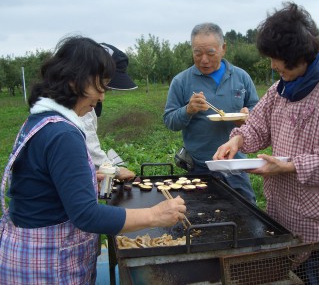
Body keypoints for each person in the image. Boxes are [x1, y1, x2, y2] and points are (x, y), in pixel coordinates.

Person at [0, 36, 186, 284]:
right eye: (100, 88)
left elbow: (43, 181)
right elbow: (86, 216)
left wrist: (85, 179)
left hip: (27, 251)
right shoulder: (63, 134)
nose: (102, 98)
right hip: (48, 266)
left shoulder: (40, 121)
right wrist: (155, 215)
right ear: (74, 81)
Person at [213, 2, 319, 284]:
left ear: (297, 54)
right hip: (282, 215)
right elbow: (258, 123)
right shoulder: (282, 88)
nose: (272, 65)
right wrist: (238, 140)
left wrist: (287, 166)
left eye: (277, 59)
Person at [163, 22, 259, 204]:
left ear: (223, 49)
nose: (204, 60)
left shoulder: (241, 77)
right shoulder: (181, 81)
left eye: (210, 53)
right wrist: (187, 110)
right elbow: (169, 121)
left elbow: (257, 112)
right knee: (200, 218)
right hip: (200, 166)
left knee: (246, 216)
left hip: (235, 165)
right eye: (197, 53)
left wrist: (247, 117)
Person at [81, 42, 138, 181]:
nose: (102, 97)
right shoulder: (78, 111)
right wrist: (116, 171)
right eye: (103, 84)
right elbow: (90, 150)